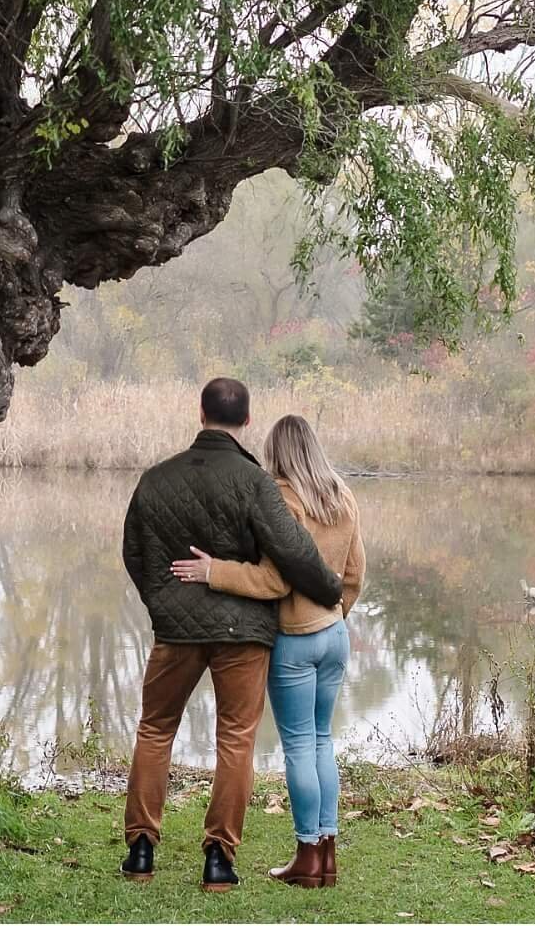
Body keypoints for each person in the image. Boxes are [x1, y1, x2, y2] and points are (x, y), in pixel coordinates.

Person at [118, 377, 344, 892]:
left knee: (155, 730)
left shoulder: (156, 479)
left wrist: (163, 602)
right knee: (236, 740)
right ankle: (219, 858)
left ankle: (140, 850)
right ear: (246, 421)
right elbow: (293, 551)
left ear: (200, 414)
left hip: (177, 631)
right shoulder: (255, 481)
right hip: (243, 631)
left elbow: (134, 554)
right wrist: (330, 589)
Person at [168, 413, 366, 889]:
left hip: (295, 639)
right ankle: (328, 857)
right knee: (322, 741)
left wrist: (215, 571)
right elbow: (356, 573)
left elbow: (271, 579)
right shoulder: (341, 494)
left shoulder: (280, 498)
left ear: (277, 453)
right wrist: (337, 617)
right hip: (335, 634)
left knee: (298, 744)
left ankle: (306, 856)